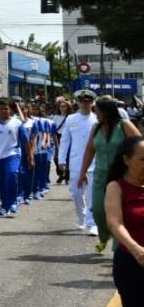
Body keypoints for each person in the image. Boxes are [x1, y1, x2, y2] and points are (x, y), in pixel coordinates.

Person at [103, 136, 144, 307]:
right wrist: (137, 250)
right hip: (132, 263)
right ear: (127, 160)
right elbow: (114, 223)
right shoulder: (116, 188)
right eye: (142, 159)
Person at [80, 95, 143, 245]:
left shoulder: (124, 125)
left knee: (121, 213)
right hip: (100, 176)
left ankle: (119, 244)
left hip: (120, 176)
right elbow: (90, 150)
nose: (95, 114)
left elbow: (139, 144)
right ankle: (104, 236)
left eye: (97, 111)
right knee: (98, 211)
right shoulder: (96, 128)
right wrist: (83, 172)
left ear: (106, 112)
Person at [0, 98, 32, 217]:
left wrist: (30, 156)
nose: (4, 111)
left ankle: (13, 202)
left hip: (12, 155)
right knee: (1, 182)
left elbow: (25, 141)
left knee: (12, 175)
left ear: (10, 110)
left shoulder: (17, 123)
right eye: (1, 109)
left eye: (6, 109)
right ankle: (4, 204)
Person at [61, 91, 102, 234]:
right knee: (76, 193)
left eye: (88, 101)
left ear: (92, 103)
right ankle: (81, 217)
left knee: (91, 194)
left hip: (94, 162)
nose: (85, 104)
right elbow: (65, 140)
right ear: (77, 102)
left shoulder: (97, 119)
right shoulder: (71, 119)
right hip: (76, 162)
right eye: (82, 101)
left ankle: (92, 223)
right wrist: (61, 159)